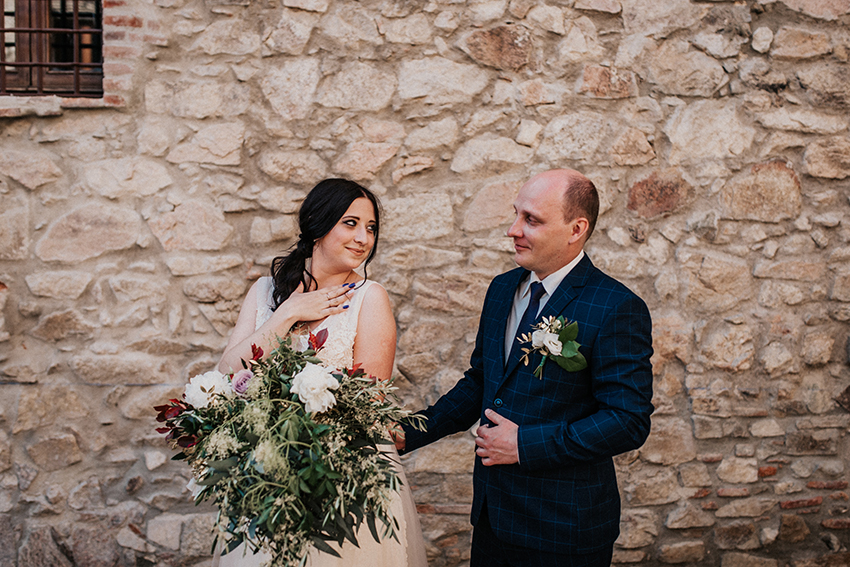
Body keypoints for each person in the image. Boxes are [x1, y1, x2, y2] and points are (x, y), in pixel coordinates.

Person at [397, 169, 654, 567]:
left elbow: (628, 420)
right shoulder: (502, 289)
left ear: (576, 228)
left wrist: (524, 445)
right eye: (516, 214)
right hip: (492, 517)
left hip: (564, 527)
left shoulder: (616, 307)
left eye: (531, 220)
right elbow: (481, 382)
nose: (513, 230)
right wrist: (406, 433)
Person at [214, 178, 428, 567]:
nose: (363, 237)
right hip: (266, 472)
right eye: (351, 223)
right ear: (316, 222)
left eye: (371, 227)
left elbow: (370, 399)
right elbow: (228, 372)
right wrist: (290, 312)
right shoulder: (264, 292)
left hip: (341, 475)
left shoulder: (369, 297)